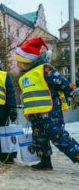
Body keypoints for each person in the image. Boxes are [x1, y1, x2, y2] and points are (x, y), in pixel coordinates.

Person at [14, 37, 79, 170]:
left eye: (19, 61)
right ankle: (45, 162)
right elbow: (27, 95)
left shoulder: (44, 69)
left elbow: (60, 82)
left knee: (59, 137)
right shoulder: (24, 76)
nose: (17, 64)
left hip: (50, 113)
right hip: (35, 115)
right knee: (39, 139)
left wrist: (74, 92)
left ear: (28, 60)